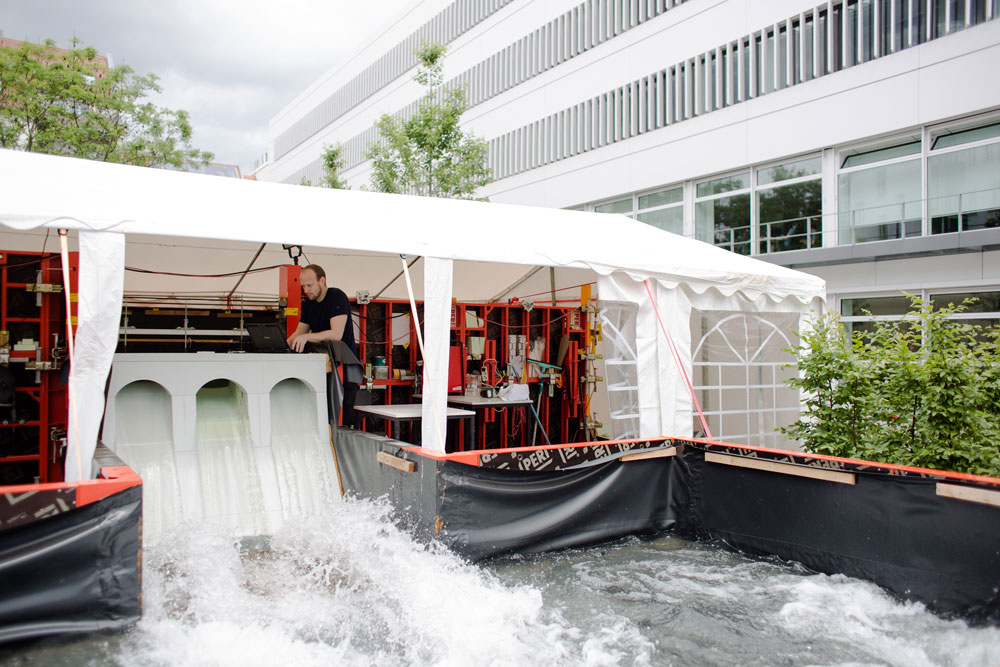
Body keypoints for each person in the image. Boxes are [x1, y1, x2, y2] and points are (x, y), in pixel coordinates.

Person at [287, 264, 358, 425]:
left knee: (341, 418)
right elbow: (299, 332)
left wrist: (307, 337)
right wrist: (282, 346)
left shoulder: (336, 296)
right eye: (303, 286)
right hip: (324, 366)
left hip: (344, 367)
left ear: (322, 280)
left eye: (309, 285)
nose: (306, 290)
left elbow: (336, 334)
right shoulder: (309, 304)